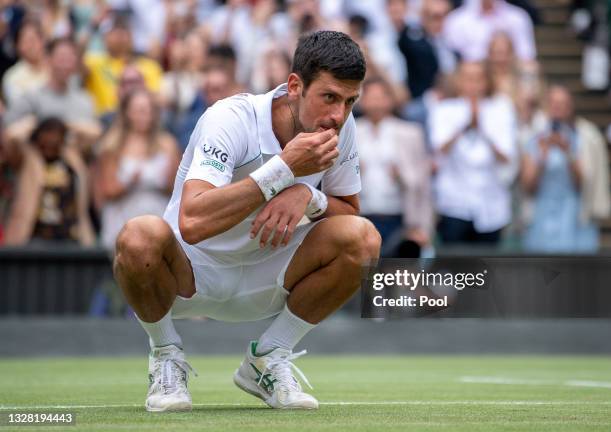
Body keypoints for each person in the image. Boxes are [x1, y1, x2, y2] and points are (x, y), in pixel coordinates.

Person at [113, 30, 380, 412]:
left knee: (364, 239)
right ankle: (165, 354)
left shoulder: (340, 128)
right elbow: (192, 220)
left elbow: (349, 210)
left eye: (350, 101)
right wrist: (283, 171)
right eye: (329, 97)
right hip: (190, 276)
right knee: (139, 235)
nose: (338, 115)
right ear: (294, 86)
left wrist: (309, 195)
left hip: (270, 276)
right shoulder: (230, 118)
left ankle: (269, 356)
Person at [429, 61, 517, 245]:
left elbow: (506, 156)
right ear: (459, 81)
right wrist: (464, 123)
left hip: (491, 206)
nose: (473, 85)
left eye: (478, 79)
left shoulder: (501, 109)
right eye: (468, 79)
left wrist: (482, 126)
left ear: (486, 82)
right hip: (454, 203)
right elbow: (439, 149)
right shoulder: (444, 109)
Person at [521, 85, 610, 252]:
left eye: (562, 104)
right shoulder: (535, 138)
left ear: (570, 107)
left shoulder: (585, 137)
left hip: (574, 215)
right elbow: (528, 186)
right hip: (542, 215)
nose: (557, 108)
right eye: (553, 103)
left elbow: (583, 184)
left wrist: (568, 153)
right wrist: (542, 158)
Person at [356, 76, 433, 256]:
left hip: (398, 217)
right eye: (370, 97)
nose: (375, 103)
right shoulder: (350, 132)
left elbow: (423, 185)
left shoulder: (409, 133)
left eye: (380, 97)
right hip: (361, 214)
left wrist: (423, 227)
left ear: (390, 99)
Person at [97, 89, 180, 252]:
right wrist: (130, 182)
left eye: (148, 110)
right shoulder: (112, 145)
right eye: (138, 110)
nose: (144, 115)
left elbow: (178, 188)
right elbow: (107, 189)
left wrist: (162, 183)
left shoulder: (168, 144)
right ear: (126, 112)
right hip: (123, 216)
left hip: (159, 216)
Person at [4, 117, 95, 246]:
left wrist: (65, 124)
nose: (51, 139)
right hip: (34, 237)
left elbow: (94, 133)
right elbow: (11, 136)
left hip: (70, 235)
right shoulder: (27, 158)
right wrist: (36, 123)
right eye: (47, 133)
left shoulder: (72, 155)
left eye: (56, 134)